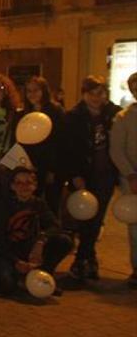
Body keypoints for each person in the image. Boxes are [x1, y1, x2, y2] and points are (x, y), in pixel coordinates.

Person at [63, 76, 121, 281]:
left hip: (105, 174)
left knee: (97, 220)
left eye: (100, 93)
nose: (97, 98)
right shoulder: (73, 117)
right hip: (84, 175)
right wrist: (75, 175)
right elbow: (69, 150)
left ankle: (85, 259)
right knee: (85, 219)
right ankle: (84, 260)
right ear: (84, 94)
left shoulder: (113, 115)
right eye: (92, 93)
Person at [0, 167, 72, 296]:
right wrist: (16, 261)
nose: (24, 187)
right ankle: (22, 277)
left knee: (64, 241)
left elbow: (55, 225)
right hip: (9, 251)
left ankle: (44, 273)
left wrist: (41, 240)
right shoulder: (4, 205)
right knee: (7, 286)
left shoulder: (38, 204)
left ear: (34, 186)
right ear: (12, 186)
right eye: (19, 183)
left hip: (32, 250)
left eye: (28, 183)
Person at [21, 76, 67, 212]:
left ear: (44, 91)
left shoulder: (56, 111)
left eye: (36, 90)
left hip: (51, 165)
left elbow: (60, 142)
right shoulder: (26, 112)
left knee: (51, 203)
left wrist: (52, 170)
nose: (32, 94)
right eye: (29, 91)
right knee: (31, 202)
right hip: (32, 165)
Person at [109, 72, 137, 287]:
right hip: (132, 178)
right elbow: (117, 150)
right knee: (135, 226)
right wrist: (130, 174)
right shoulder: (124, 117)